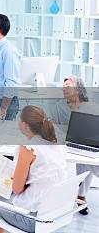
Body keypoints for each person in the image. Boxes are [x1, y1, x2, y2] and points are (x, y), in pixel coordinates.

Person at [50, 76, 99, 215]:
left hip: (88, 146)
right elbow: (54, 127)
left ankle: (80, 196)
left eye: (68, 85)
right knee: (81, 161)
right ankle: (79, 196)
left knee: (86, 161)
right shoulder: (59, 107)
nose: (64, 88)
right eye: (63, 86)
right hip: (66, 144)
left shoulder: (91, 107)